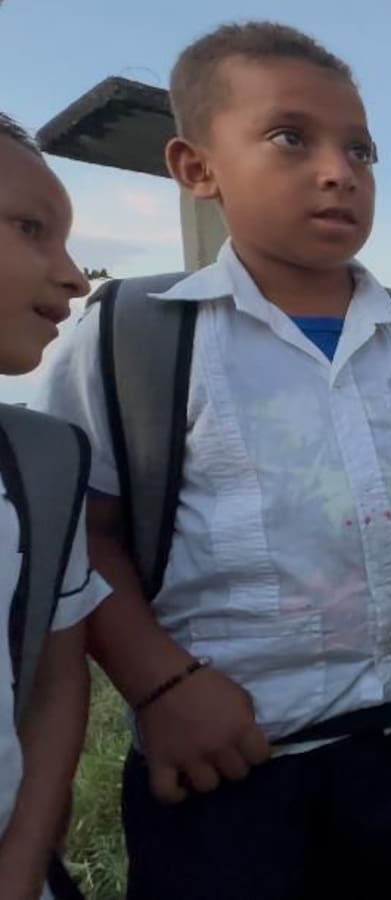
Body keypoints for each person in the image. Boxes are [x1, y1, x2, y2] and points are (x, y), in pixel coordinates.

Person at [35, 23, 391, 900]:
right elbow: (83, 533)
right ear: (196, 167)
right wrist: (161, 684)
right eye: (292, 137)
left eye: (360, 148)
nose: (340, 170)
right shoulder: (133, 334)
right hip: (224, 762)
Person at [0, 113, 107, 899]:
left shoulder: (43, 463)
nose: (74, 276)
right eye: (30, 228)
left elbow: (53, 686)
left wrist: (21, 868)